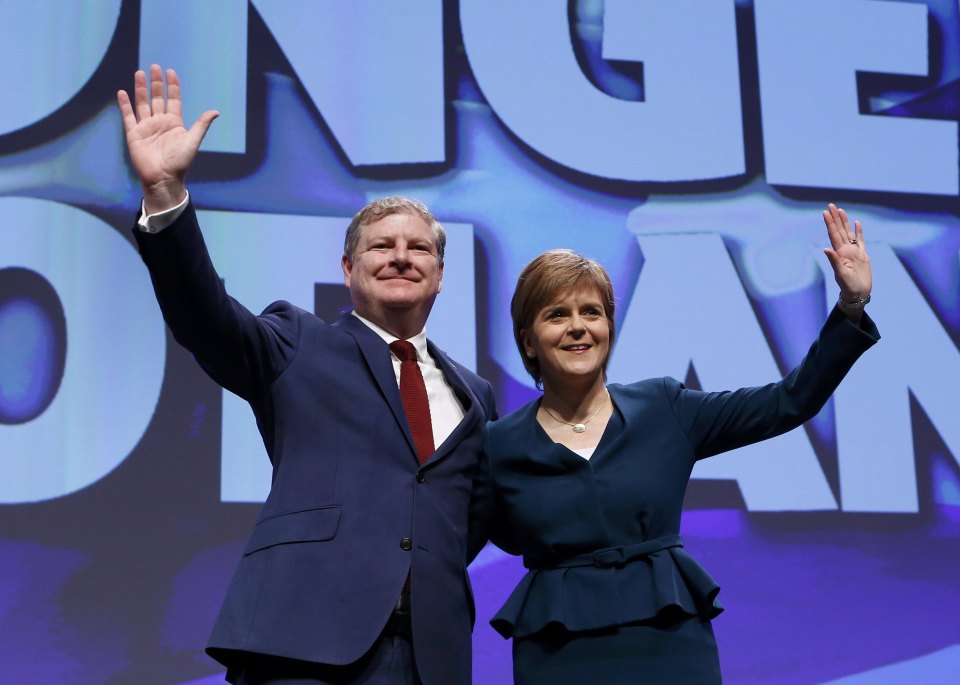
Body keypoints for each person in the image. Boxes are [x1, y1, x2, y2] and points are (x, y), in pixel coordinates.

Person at [117, 65, 496, 685]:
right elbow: (205, 318)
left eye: (419, 248)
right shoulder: (298, 340)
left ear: (441, 273)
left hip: (430, 658)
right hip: (303, 642)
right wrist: (166, 197)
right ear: (348, 268)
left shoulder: (475, 394)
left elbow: (469, 518)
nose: (401, 255)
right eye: (381, 246)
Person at [469, 205, 878, 684]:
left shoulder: (664, 407)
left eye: (592, 312)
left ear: (609, 328)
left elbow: (788, 401)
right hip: (558, 649)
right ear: (529, 341)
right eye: (557, 314)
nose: (578, 326)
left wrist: (851, 305)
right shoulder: (499, 444)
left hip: (668, 637)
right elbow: (471, 537)